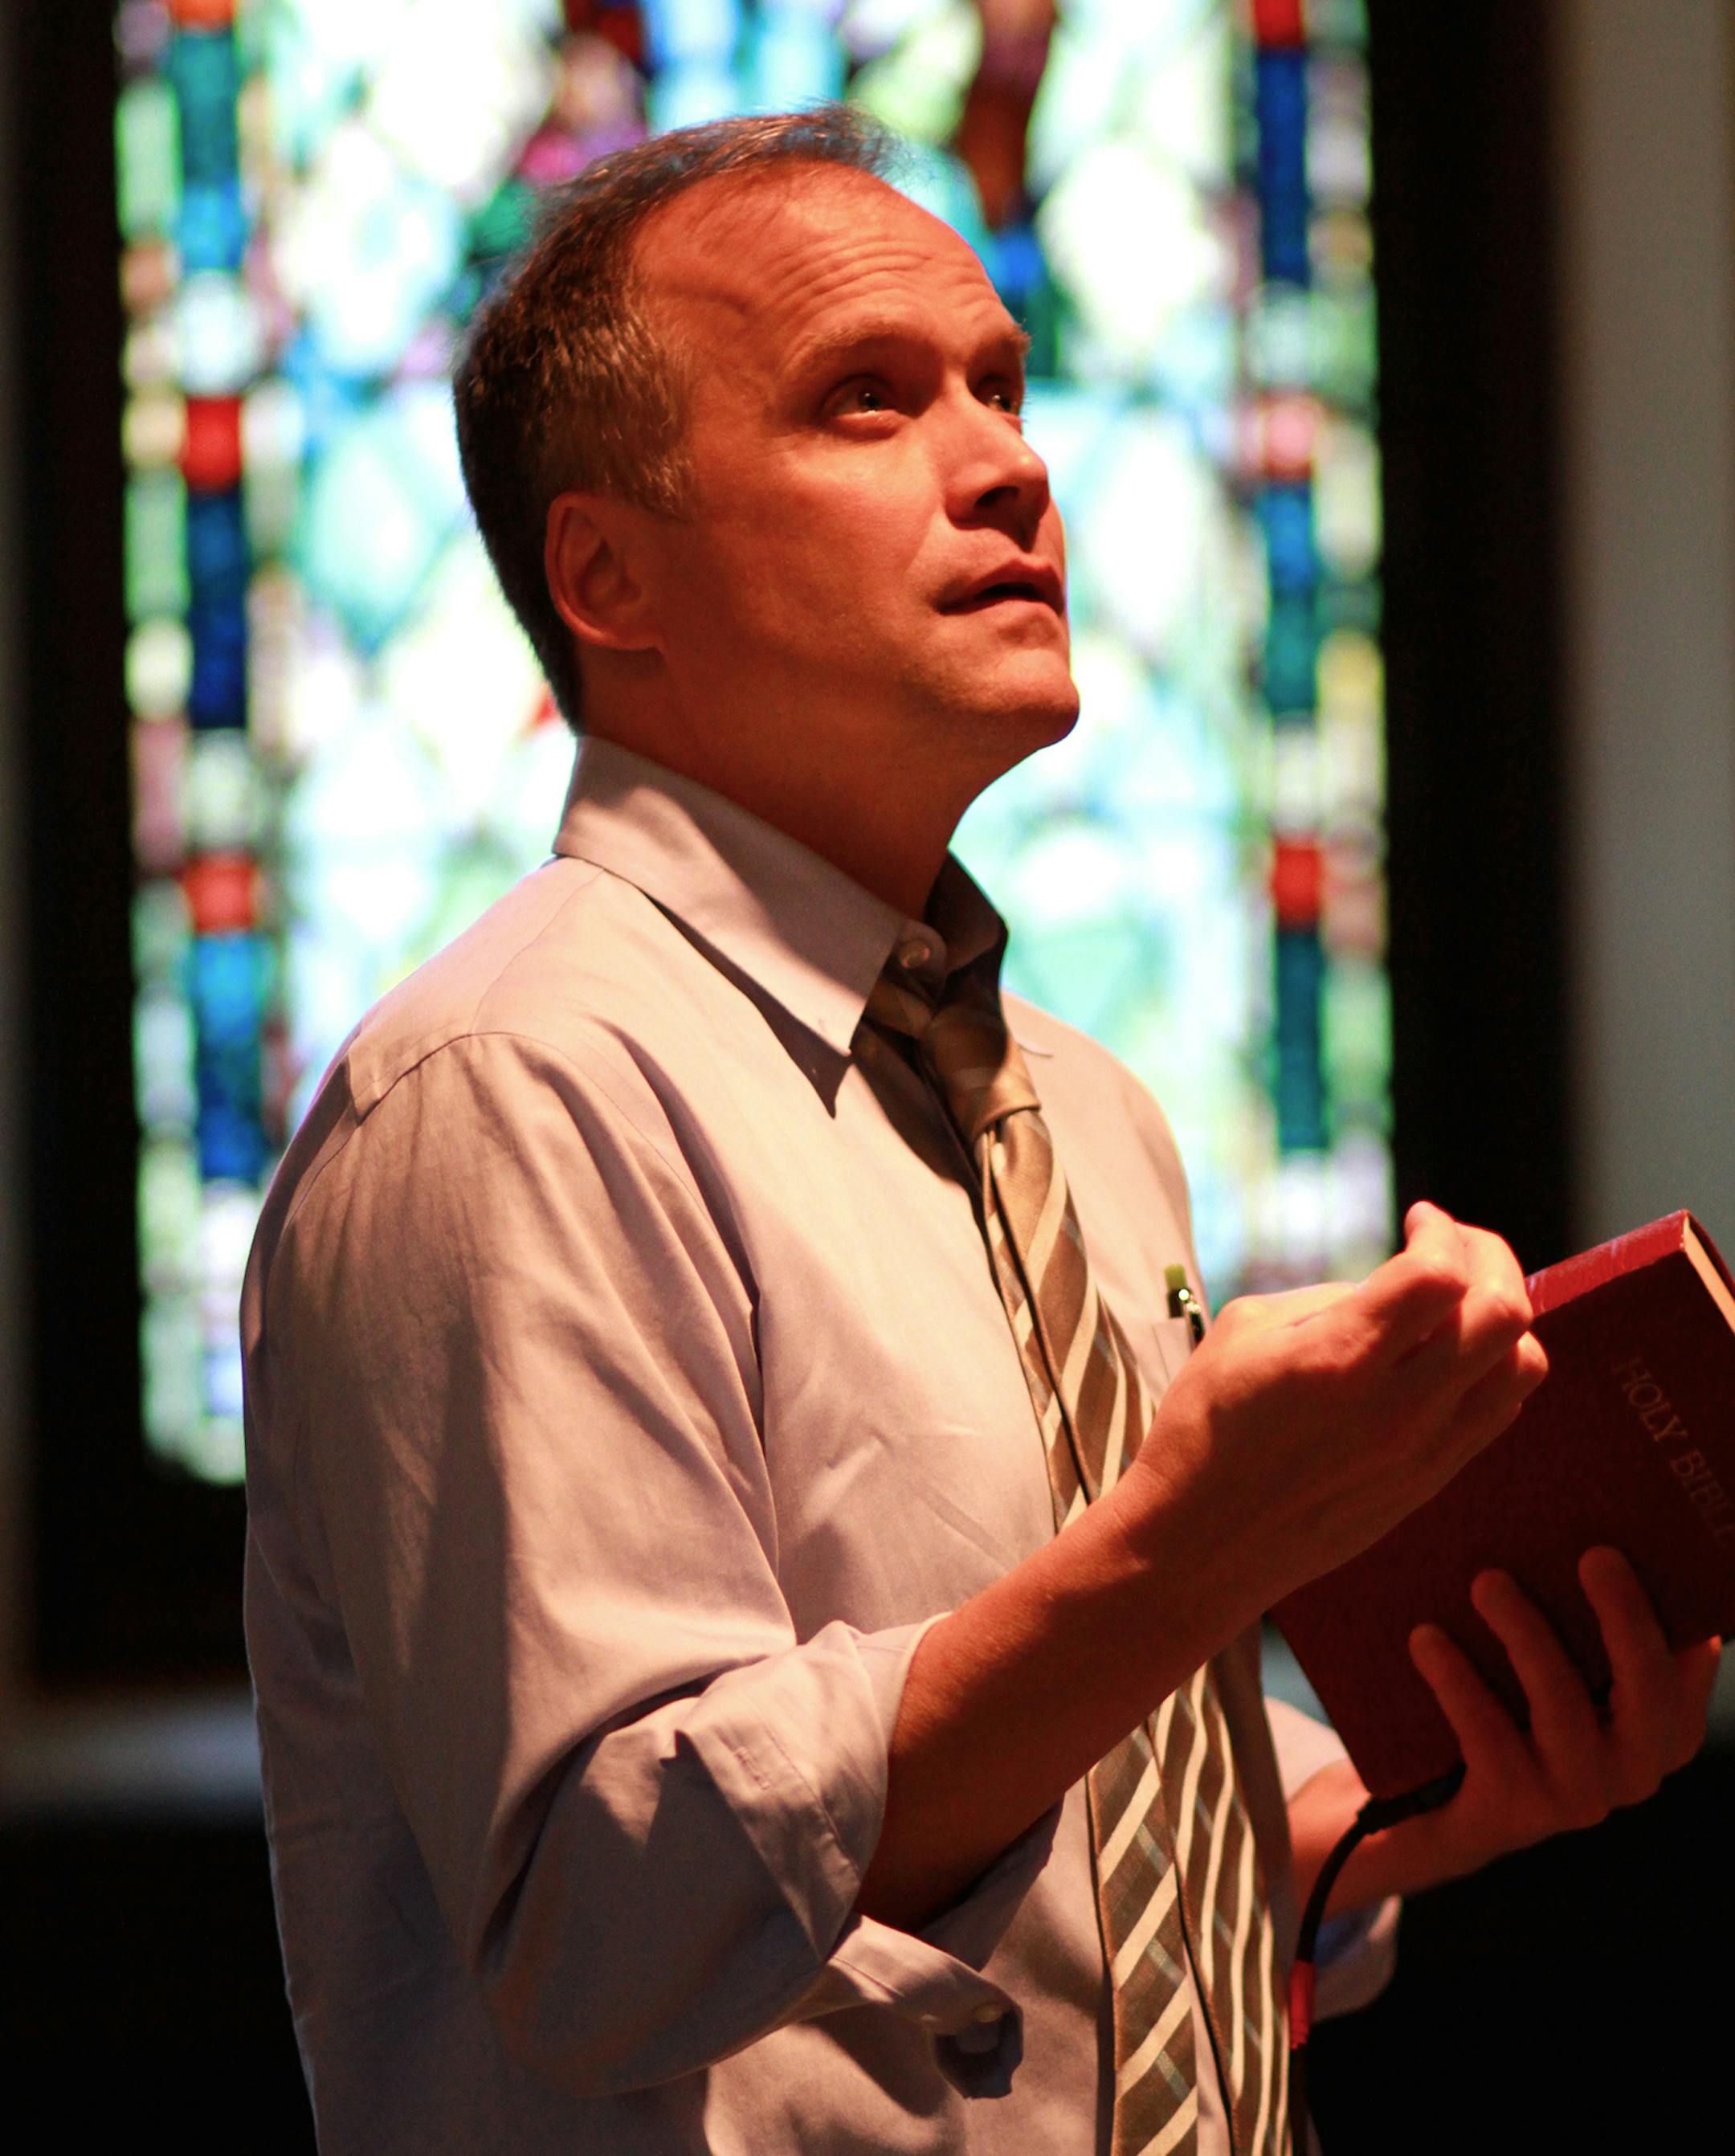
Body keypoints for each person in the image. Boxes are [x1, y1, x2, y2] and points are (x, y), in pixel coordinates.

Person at [242, 107, 1720, 2155]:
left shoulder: (1080, 1107)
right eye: (867, 402)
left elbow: (1035, 1835)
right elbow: (604, 1921)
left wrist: (1380, 1808)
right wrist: (1194, 1545)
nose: (1012, 462)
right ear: (606, 569)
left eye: (1004, 387)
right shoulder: (514, 1084)